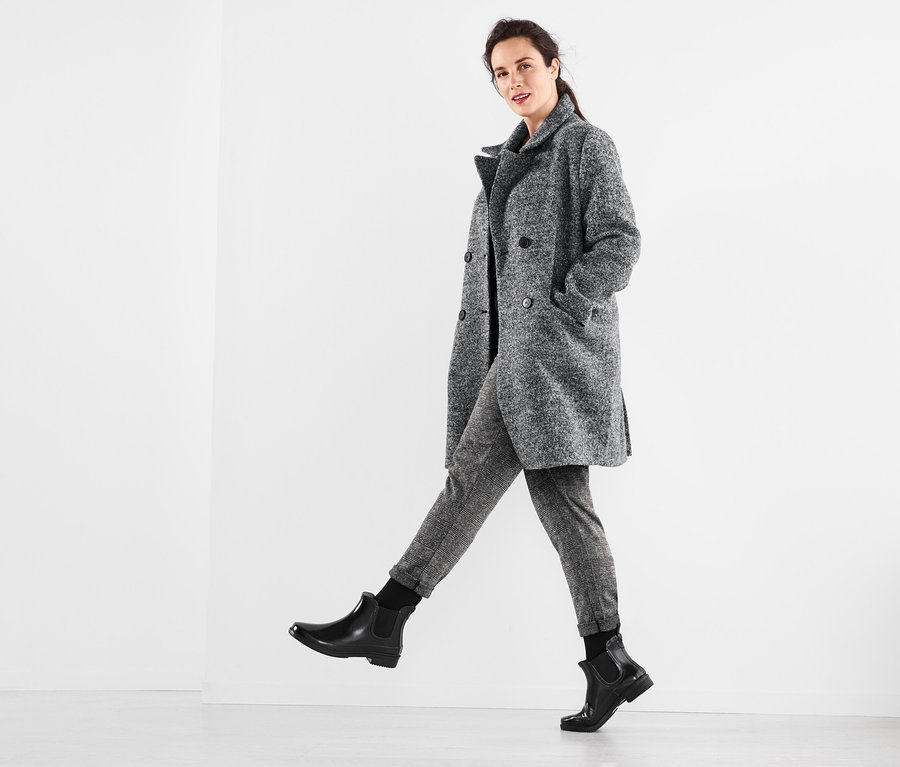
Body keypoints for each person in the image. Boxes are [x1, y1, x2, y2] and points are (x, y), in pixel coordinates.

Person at [289, 18, 652, 732]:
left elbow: (621, 242)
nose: (514, 82)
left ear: (554, 65)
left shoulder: (585, 145)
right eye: (500, 73)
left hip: (551, 360)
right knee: (541, 501)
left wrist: (565, 303)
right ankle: (606, 661)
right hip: (514, 362)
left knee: (503, 495)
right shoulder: (506, 160)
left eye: (524, 66)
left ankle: (386, 617)